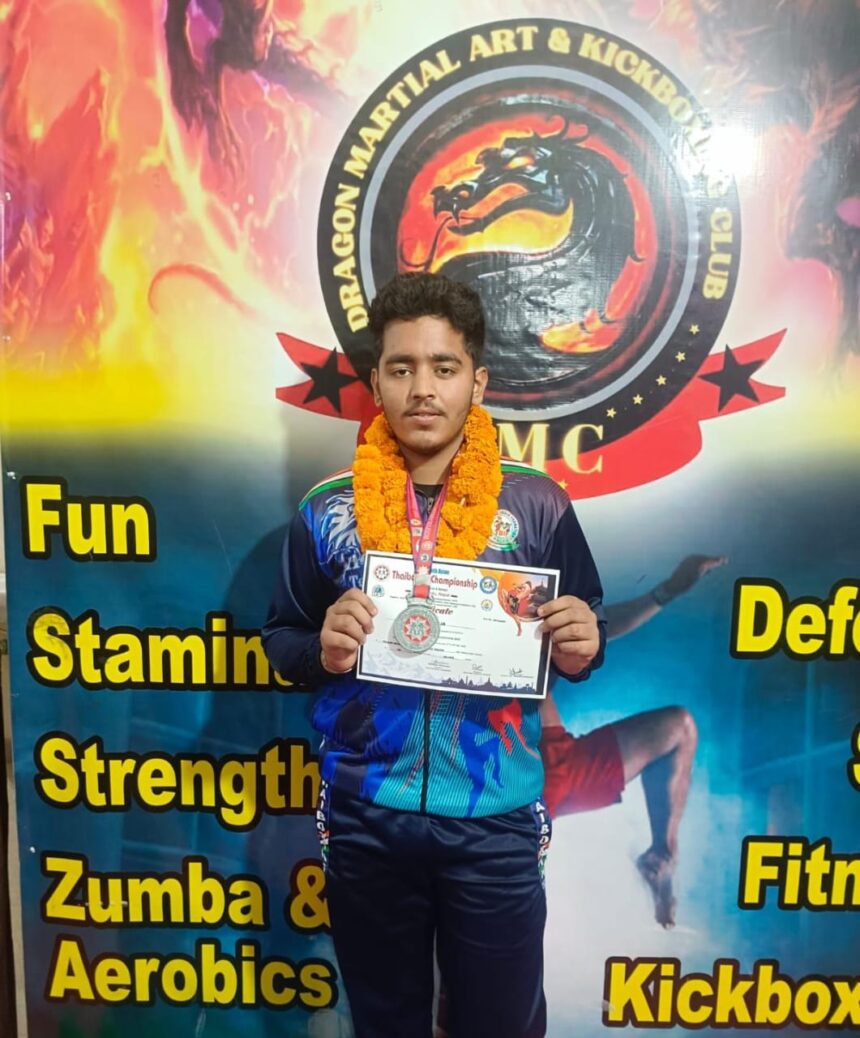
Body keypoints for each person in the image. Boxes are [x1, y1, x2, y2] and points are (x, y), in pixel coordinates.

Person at [263, 271, 605, 1038]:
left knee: (500, 1024)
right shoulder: (326, 508)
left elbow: (585, 632)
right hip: (366, 813)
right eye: (402, 367)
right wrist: (323, 650)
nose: (423, 388)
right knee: (385, 1023)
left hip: (496, 820)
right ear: (375, 383)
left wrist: (584, 642)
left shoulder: (538, 503)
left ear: (476, 382)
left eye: (444, 367)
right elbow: (282, 640)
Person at [539, 554, 726, 928]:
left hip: (557, 764)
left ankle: (662, 854)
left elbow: (601, 625)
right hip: (503, 782)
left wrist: (668, 589)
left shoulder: (533, 611)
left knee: (679, 727)